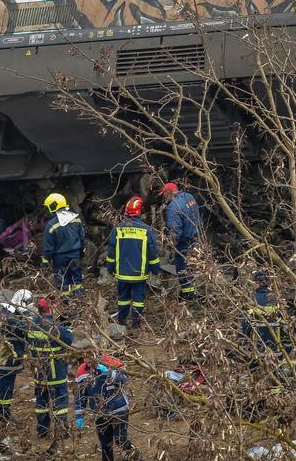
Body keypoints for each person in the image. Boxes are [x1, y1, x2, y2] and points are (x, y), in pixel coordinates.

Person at [106, 196, 161, 329]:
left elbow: (111, 252)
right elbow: (153, 253)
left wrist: (110, 268)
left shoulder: (117, 229)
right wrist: (156, 270)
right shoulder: (146, 230)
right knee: (138, 300)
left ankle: (122, 321)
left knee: (123, 298)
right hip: (139, 274)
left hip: (122, 274)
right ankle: (136, 324)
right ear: (140, 211)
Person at [27, 298, 75, 439]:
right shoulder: (53, 327)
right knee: (60, 403)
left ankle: (42, 430)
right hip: (55, 372)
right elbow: (69, 338)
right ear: (50, 310)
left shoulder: (31, 325)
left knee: (41, 402)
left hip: (39, 372)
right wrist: (68, 326)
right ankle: (61, 431)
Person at [75, 356, 136, 461]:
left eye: (89, 355)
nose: (87, 360)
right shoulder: (82, 371)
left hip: (119, 407)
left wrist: (109, 373)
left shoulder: (111, 362)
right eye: (84, 356)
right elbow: (81, 395)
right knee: (105, 444)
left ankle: (135, 456)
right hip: (100, 412)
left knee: (120, 439)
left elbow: (125, 379)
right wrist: (79, 416)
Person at [0, 289, 32, 422]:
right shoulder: (12, 319)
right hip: (8, 358)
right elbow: (24, 330)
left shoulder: (2, 313)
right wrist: (28, 317)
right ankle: (3, 413)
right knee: (7, 386)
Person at [161, 182, 203, 300]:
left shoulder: (173, 207)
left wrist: (170, 246)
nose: (164, 197)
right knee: (193, 267)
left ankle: (190, 298)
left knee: (182, 271)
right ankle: (195, 292)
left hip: (184, 243)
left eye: (164, 194)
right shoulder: (189, 196)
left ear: (168, 193)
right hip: (196, 238)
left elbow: (175, 232)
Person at [42, 193, 86, 298]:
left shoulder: (51, 225)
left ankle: (66, 303)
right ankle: (79, 300)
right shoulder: (76, 218)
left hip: (59, 258)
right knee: (77, 279)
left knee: (62, 281)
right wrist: (81, 251)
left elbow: (48, 247)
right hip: (75, 255)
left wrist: (45, 261)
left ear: (53, 206)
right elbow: (82, 237)